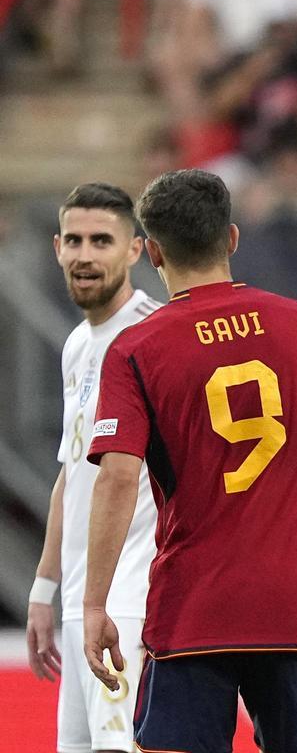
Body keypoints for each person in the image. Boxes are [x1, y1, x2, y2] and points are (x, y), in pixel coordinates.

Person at [81, 169, 297, 752]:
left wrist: (94, 601)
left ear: (151, 250)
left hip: (194, 608)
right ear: (231, 239)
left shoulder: (135, 349)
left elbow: (119, 476)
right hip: (295, 606)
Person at [26, 183, 160, 753]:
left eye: (102, 241)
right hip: (85, 596)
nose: (85, 254)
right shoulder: (78, 343)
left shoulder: (153, 336)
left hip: (130, 594)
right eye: (75, 240)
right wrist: (43, 587)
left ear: (134, 250)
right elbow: (71, 473)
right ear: (57, 248)